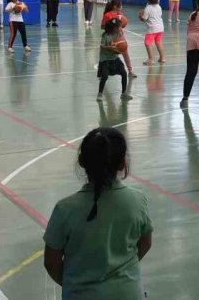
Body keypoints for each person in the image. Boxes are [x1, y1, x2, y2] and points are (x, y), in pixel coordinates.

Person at [43, 127, 153, 299]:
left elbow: (51, 263)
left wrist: (75, 284)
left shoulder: (64, 209)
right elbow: (145, 243)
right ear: (122, 163)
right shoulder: (137, 201)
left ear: (81, 161)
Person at [97, 19, 131, 101]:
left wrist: (120, 48)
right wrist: (109, 47)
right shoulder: (105, 36)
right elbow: (102, 46)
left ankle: (124, 93)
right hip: (105, 60)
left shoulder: (118, 35)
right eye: (119, 27)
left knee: (124, 73)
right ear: (114, 28)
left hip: (114, 58)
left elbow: (121, 46)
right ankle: (100, 93)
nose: (121, 28)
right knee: (104, 76)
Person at [102, 0, 137, 78]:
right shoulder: (107, 15)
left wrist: (121, 25)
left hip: (120, 37)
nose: (121, 7)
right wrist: (111, 26)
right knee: (108, 56)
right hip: (110, 38)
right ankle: (103, 72)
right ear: (115, 6)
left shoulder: (121, 14)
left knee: (126, 53)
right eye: (120, 5)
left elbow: (122, 25)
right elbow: (102, 26)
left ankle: (130, 71)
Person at [139, 0, 165, 65]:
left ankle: (151, 59)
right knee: (158, 42)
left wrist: (140, 15)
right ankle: (162, 58)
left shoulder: (148, 8)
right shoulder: (158, 6)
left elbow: (144, 19)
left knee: (147, 43)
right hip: (160, 27)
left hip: (152, 29)